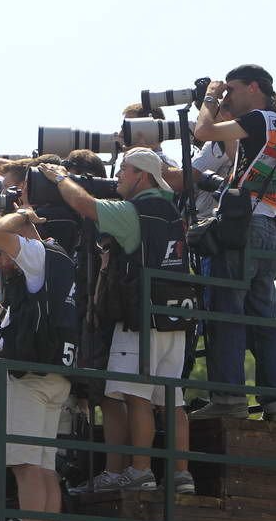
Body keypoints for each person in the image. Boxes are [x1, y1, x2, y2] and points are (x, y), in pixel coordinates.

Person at [38, 148, 196, 494]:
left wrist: (60, 178)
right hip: (175, 316)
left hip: (140, 318)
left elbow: (86, 207)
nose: (118, 175)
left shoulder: (135, 211)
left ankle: (139, 471)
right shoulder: (170, 210)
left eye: (124, 169)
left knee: (136, 396)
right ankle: (182, 475)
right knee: (173, 400)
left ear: (141, 175)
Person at [191, 64, 276, 423]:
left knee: (227, 312)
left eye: (232, 89)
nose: (228, 96)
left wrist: (209, 98)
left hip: (242, 226)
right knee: (264, 318)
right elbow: (229, 140)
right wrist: (219, 104)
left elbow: (202, 132)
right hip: (268, 227)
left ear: (254, 87)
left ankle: (229, 399)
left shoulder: (258, 118)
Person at [0, 208, 77, 521]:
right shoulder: (62, 259)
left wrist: (20, 213)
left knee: (26, 469)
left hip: (30, 380)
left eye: (3, 254)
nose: (1, 261)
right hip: (55, 375)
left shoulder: (37, 254)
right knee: (44, 470)